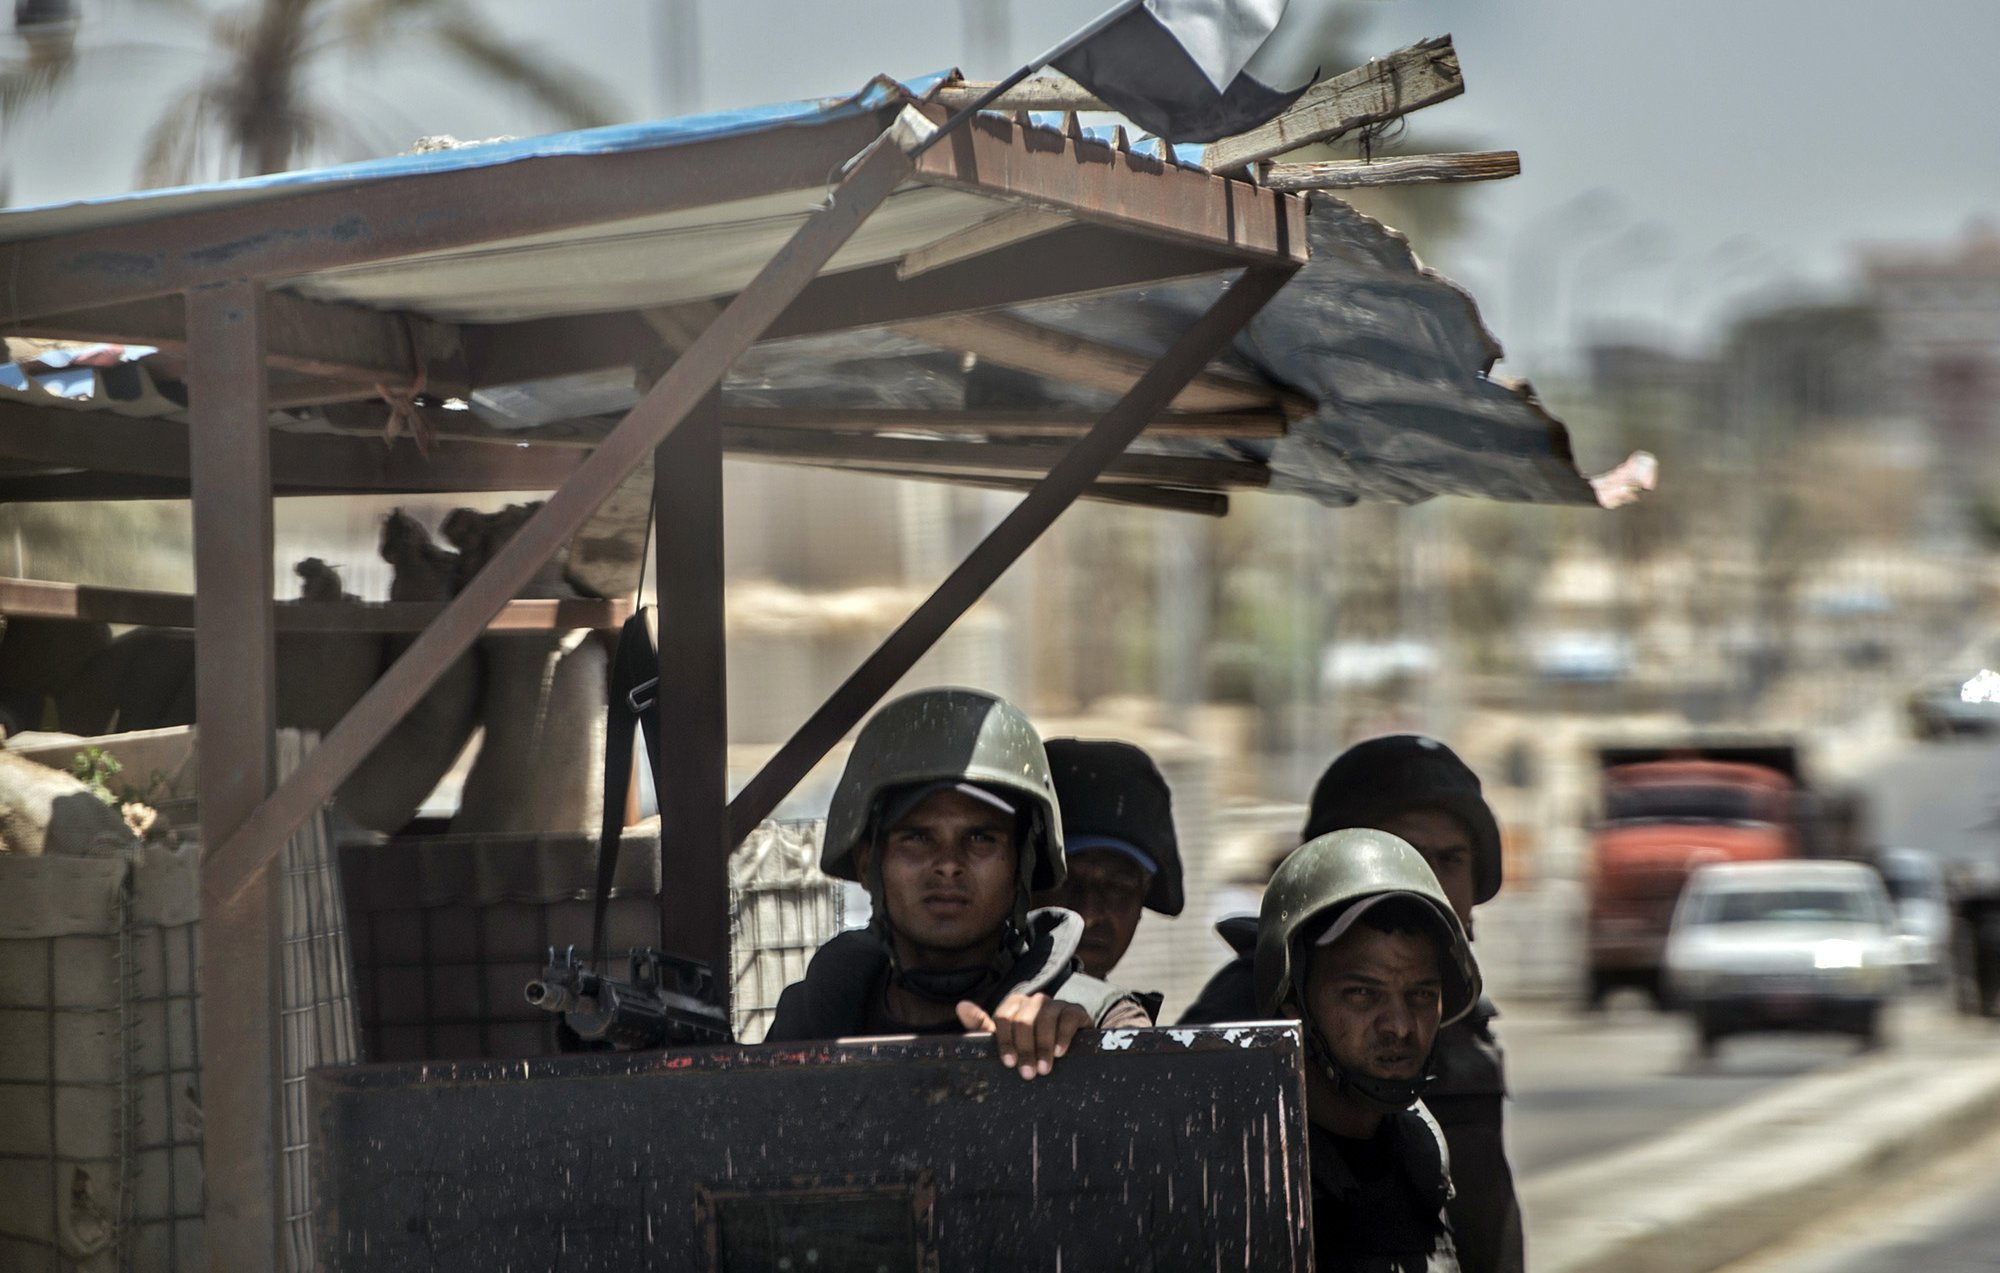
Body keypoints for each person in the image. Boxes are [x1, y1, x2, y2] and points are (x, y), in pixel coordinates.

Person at [1182, 735, 1524, 1273]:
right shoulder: (1238, 1063)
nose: (1398, 1025)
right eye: (1361, 993)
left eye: (1450, 859)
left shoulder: (1422, 1132)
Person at [763, 688, 1153, 1078]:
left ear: (1023, 866)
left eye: (981, 838)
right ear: (868, 864)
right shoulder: (809, 1026)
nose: (948, 864)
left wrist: (1085, 1052)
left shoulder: (1099, 1019)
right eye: (916, 837)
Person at [1255, 827, 1480, 1273]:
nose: (1398, 1026)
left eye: (1420, 994)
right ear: (1293, 999)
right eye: (1362, 993)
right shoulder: (1247, 1174)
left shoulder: (1422, 1157)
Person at [1030, 738, 1185, 982]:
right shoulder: (970, 1014)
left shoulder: (1125, 1016)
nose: (1089, 916)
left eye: (1117, 887)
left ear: (1143, 894)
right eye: (1066, 881)